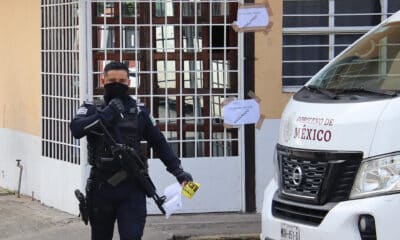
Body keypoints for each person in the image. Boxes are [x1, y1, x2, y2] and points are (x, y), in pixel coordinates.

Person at [70, 61, 193, 240]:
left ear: (129, 82)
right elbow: (76, 129)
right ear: (103, 81)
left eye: (122, 80)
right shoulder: (92, 108)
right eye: (112, 80)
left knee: (132, 236)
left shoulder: (138, 111)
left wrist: (178, 171)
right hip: (101, 186)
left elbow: (159, 143)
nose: (117, 84)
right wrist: (106, 114)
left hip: (132, 186)